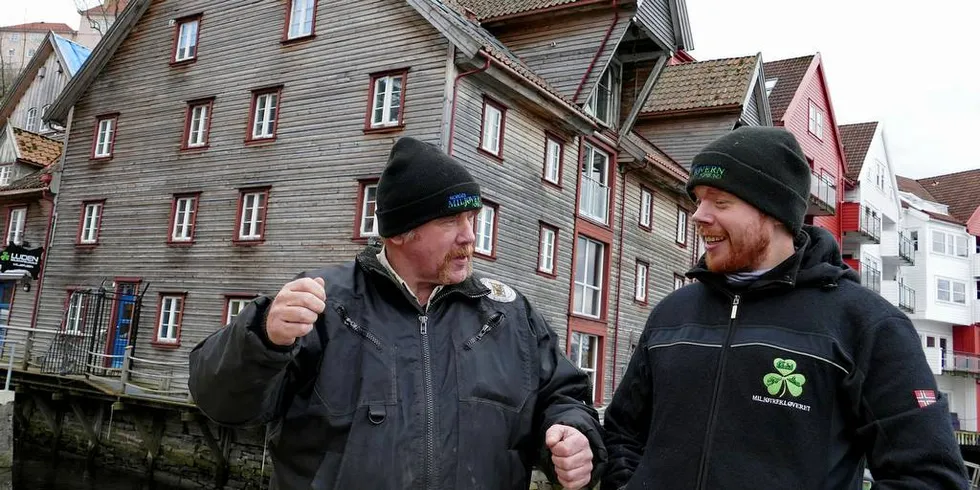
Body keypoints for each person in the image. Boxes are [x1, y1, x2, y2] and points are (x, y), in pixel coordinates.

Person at [189, 137, 605, 489]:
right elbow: (221, 402)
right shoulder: (323, 304)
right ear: (401, 232)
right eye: (450, 221)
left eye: (472, 217)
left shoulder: (507, 314)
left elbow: (564, 395)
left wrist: (574, 434)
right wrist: (263, 336)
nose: (469, 235)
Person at [601, 127, 969, 489]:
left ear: (774, 212)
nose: (698, 215)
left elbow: (930, 478)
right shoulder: (671, 315)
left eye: (720, 202)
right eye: (698, 199)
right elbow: (622, 434)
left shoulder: (866, 324)